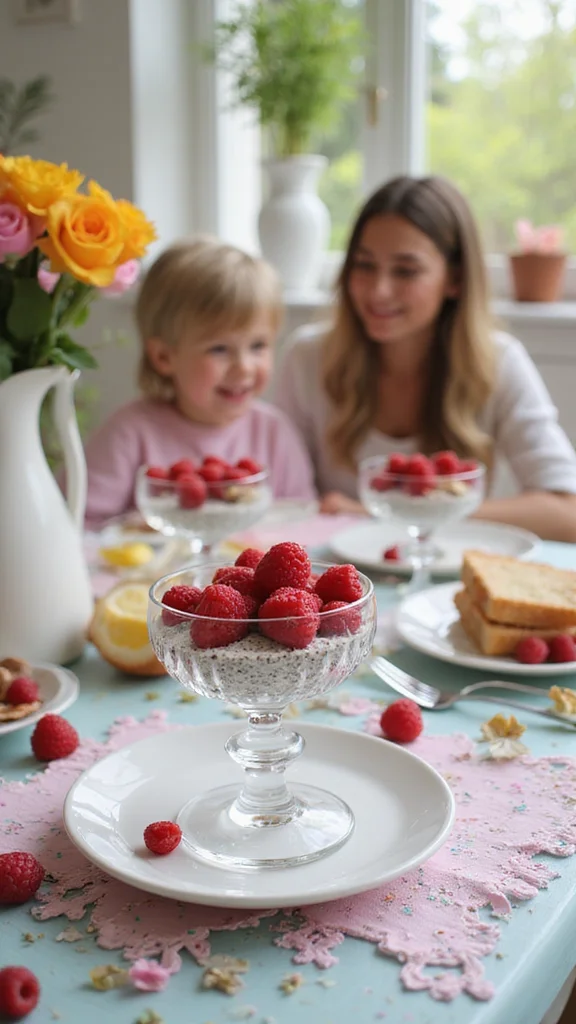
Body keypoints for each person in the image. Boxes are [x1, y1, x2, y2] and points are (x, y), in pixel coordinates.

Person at [274, 175, 576, 542]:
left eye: (405, 270)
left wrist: (397, 511)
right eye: (364, 265)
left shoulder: (499, 362)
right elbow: (284, 507)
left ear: (455, 279)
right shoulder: (307, 359)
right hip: (342, 591)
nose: (379, 291)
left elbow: (567, 511)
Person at [84, 237, 316, 526]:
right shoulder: (128, 435)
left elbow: (303, 523)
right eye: (219, 349)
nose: (244, 367)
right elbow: (79, 525)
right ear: (164, 357)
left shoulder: (275, 433)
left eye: (258, 346)